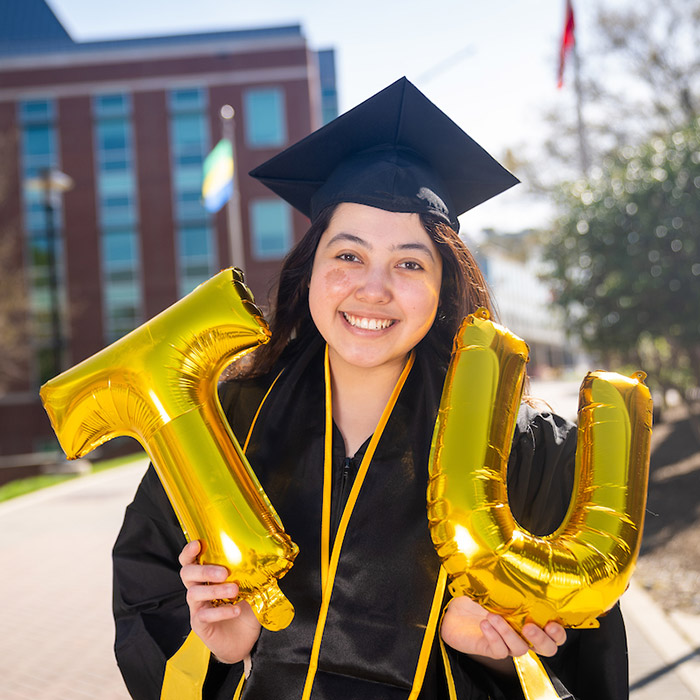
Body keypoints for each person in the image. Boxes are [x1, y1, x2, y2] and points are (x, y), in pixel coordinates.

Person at [113, 78, 628, 700]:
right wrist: (221, 643)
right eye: (348, 255)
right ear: (310, 269)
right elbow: (149, 595)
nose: (373, 289)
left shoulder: (524, 449)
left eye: (410, 263)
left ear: (445, 289)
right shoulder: (225, 423)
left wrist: (498, 656)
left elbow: (586, 661)